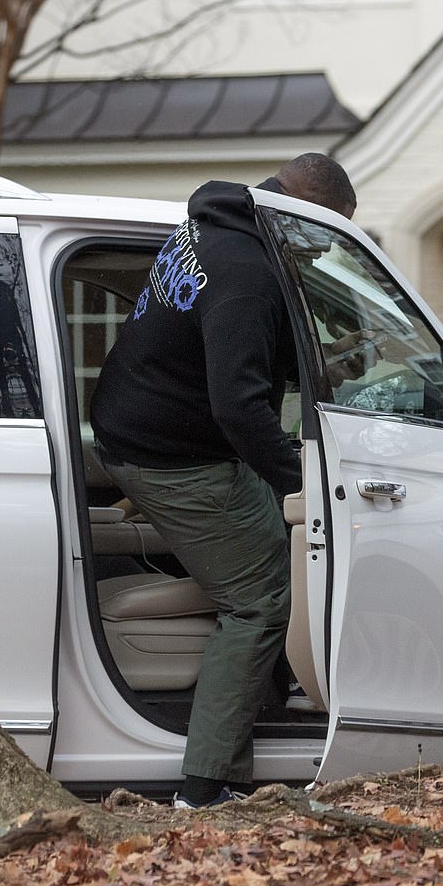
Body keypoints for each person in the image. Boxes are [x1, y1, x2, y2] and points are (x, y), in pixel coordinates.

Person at [90, 153, 356, 808]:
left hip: (146, 432)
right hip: (174, 456)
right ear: (305, 214)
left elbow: (229, 347)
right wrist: (305, 483)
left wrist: (304, 368)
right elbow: (237, 403)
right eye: (325, 235)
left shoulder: (214, 233)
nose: (322, 253)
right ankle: (203, 789)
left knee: (275, 535)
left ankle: (257, 710)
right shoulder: (246, 272)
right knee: (267, 596)